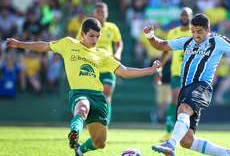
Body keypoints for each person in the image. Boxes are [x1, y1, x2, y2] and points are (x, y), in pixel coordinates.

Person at [7, 18, 161, 156]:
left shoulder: (103, 54)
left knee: (99, 142)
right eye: (91, 35)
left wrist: (150, 70)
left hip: (98, 98)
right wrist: (20, 44)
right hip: (79, 93)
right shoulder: (68, 44)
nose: (95, 39)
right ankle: (74, 133)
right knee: (82, 109)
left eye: (97, 36)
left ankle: (79, 150)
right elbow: (44, 46)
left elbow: (125, 72)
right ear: (82, 34)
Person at [144, 13, 230, 156]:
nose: (195, 35)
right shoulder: (187, 41)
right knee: (186, 141)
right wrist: (150, 36)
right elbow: (161, 45)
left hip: (202, 86)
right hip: (186, 89)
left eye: (199, 32)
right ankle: (229, 154)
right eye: (193, 31)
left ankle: (170, 145)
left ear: (208, 30)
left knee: (184, 109)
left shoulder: (217, 41)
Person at [77, 2, 123, 124]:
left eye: (102, 11)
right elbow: (78, 43)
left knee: (107, 95)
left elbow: (119, 42)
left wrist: (118, 53)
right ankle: (92, 121)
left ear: (107, 13)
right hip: (92, 67)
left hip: (108, 66)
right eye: (98, 11)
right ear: (93, 13)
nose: (100, 14)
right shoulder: (86, 27)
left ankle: (105, 122)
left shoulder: (112, 27)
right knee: (91, 96)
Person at [159, 7, 193, 142]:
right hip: (177, 73)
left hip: (191, 73)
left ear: (191, 17)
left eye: (187, 15)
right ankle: (168, 131)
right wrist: (160, 67)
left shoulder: (195, 32)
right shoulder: (173, 32)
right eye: (182, 15)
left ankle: (185, 131)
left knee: (188, 104)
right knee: (174, 99)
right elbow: (166, 50)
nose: (184, 17)